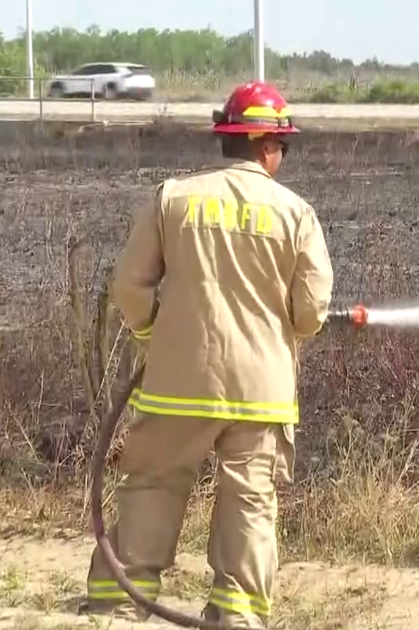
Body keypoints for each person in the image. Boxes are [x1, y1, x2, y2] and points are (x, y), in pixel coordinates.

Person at [82, 80, 334, 627]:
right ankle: (235, 611)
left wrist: (153, 336)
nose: (281, 156)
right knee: (250, 496)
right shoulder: (296, 214)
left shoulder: (173, 197)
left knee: (153, 480)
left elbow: (129, 286)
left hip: (178, 377)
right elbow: (312, 309)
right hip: (261, 390)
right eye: (282, 146)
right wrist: (281, 331)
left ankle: (121, 599)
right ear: (267, 146)